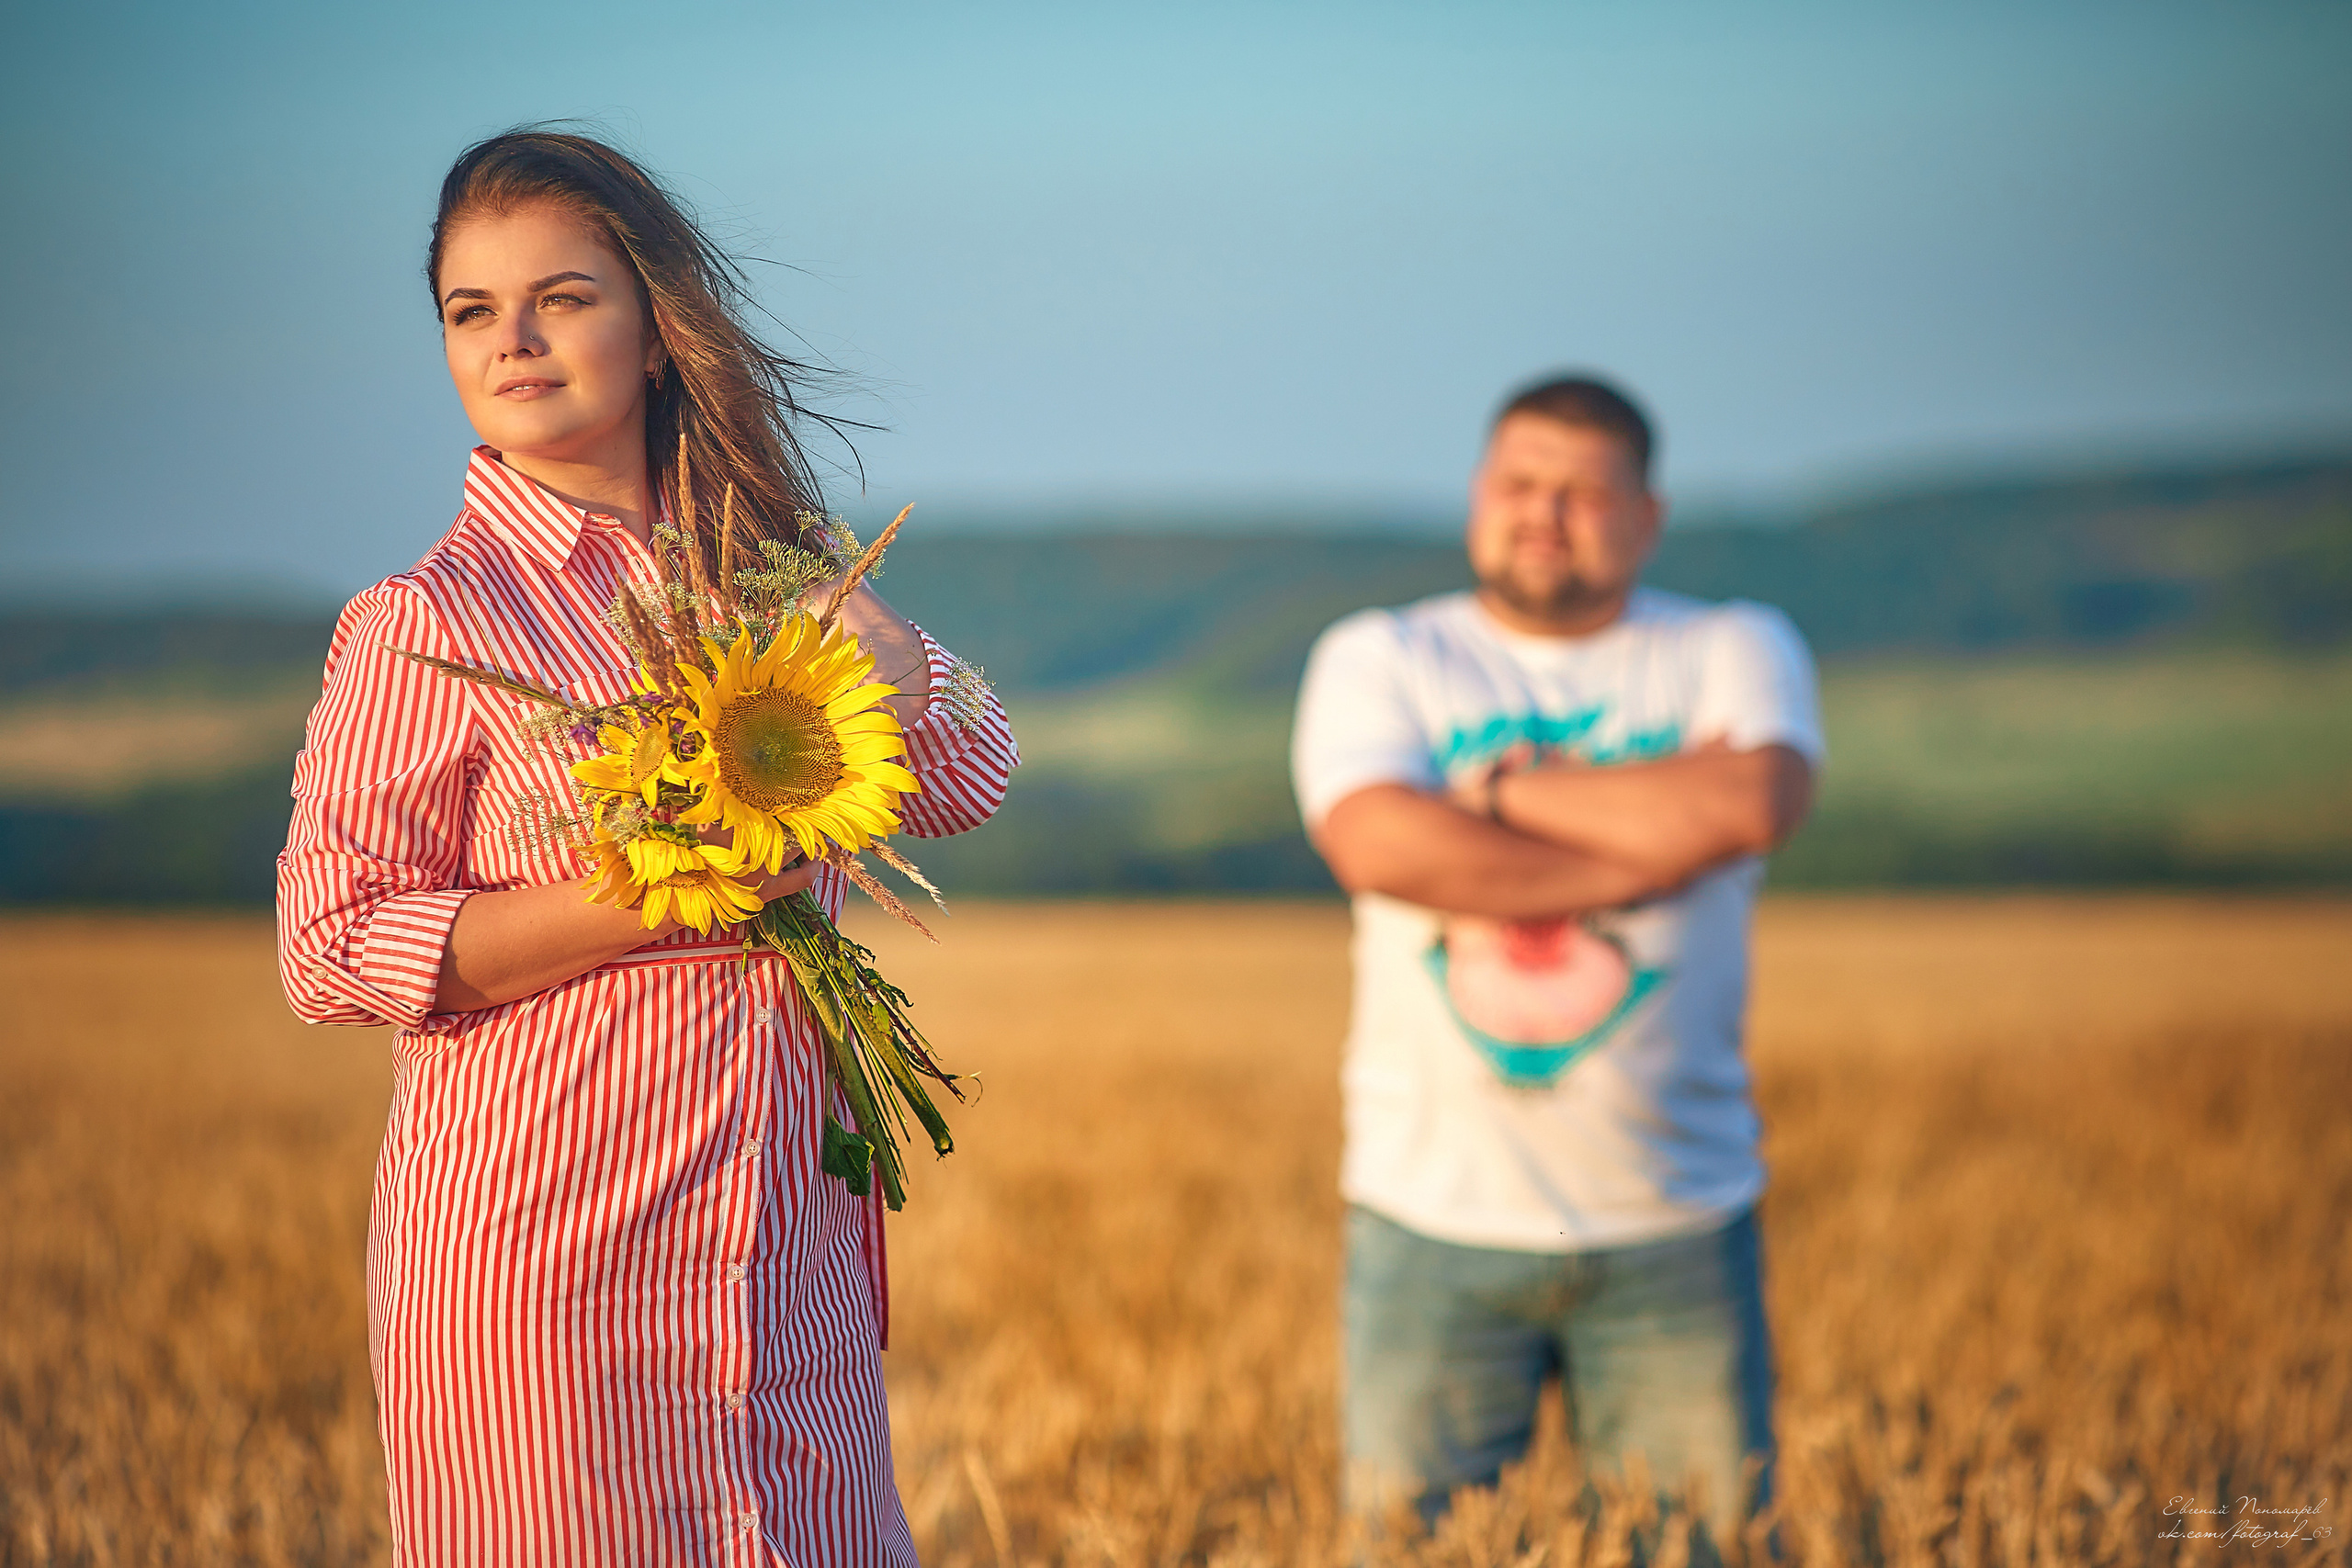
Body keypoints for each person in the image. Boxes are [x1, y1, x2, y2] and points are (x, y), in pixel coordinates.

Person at [276, 130, 1017, 1564]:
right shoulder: (425, 622)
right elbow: (329, 946)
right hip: (545, 1272)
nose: (513, 339)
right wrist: (660, 889)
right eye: (473, 310)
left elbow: (972, 776)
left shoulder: (776, 579)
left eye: (561, 297)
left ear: (660, 325)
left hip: (781, 1255)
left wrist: (883, 641)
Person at [1290, 375, 1821, 1548]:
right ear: (1478, 493)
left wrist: (1498, 795)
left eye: (1582, 492)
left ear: (1648, 516)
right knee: (1408, 1549)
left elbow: (1751, 802)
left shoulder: (1731, 644)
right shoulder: (1381, 654)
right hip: (1427, 1216)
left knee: (1700, 1547)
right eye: (1519, 483)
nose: (1543, 513)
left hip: (1674, 1215)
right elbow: (1377, 844)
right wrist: (1640, 851)